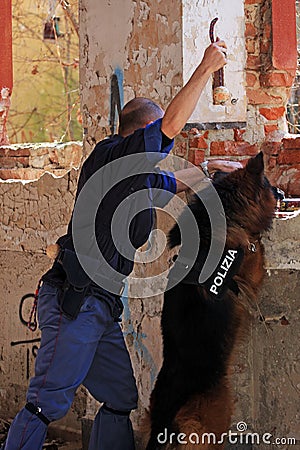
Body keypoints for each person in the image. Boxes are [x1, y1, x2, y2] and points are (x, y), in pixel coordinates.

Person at [3, 38, 242, 450]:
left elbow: (175, 182)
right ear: (139, 135)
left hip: (101, 308)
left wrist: (217, 174)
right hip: (72, 303)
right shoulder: (113, 155)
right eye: (155, 142)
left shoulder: (133, 176)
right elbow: (167, 129)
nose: (161, 153)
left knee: (119, 397)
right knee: (46, 404)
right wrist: (206, 69)